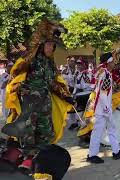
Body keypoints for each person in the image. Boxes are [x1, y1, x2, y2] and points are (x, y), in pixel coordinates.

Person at [2, 19, 73, 170]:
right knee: (29, 130)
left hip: (45, 102)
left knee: (46, 131)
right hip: (29, 100)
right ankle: (27, 160)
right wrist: (48, 28)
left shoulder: (50, 63)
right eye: (49, 44)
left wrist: (64, 95)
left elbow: (53, 82)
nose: (51, 48)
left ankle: (39, 160)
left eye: (53, 46)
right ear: (42, 45)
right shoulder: (32, 59)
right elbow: (33, 43)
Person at [87, 52, 120, 164]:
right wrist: (107, 109)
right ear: (109, 62)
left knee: (111, 129)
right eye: (113, 62)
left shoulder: (105, 73)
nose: (114, 64)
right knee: (98, 131)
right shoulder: (105, 74)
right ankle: (92, 155)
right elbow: (103, 93)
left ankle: (116, 151)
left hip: (103, 108)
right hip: (102, 109)